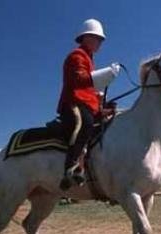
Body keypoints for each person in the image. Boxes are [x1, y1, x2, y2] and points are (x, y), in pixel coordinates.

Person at [57, 18, 116, 190]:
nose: (100, 42)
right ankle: (72, 166)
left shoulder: (89, 60)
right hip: (72, 103)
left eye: (101, 39)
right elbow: (78, 80)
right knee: (85, 123)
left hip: (85, 104)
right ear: (86, 37)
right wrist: (103, 76)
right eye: (97, 38)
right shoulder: (77, 56)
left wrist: (103, 109)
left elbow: (89, 92)